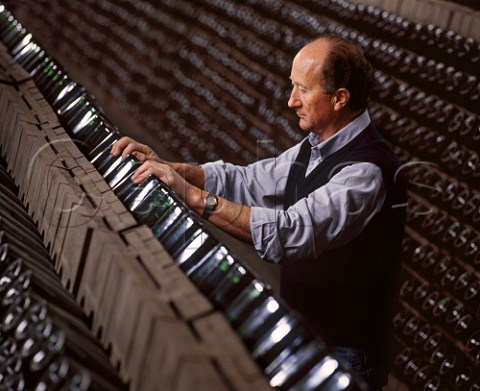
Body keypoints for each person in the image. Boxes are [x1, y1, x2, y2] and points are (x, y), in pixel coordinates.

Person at [111, 34, 406, 390]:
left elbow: (289, 232)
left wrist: (190, 196)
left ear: (340, 98)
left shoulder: (365, 172)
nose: (290, 100)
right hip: (306, 330)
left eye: (303, 90)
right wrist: (168, 167)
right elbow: (248, 180)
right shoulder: (315, 148)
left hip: (345, 352)